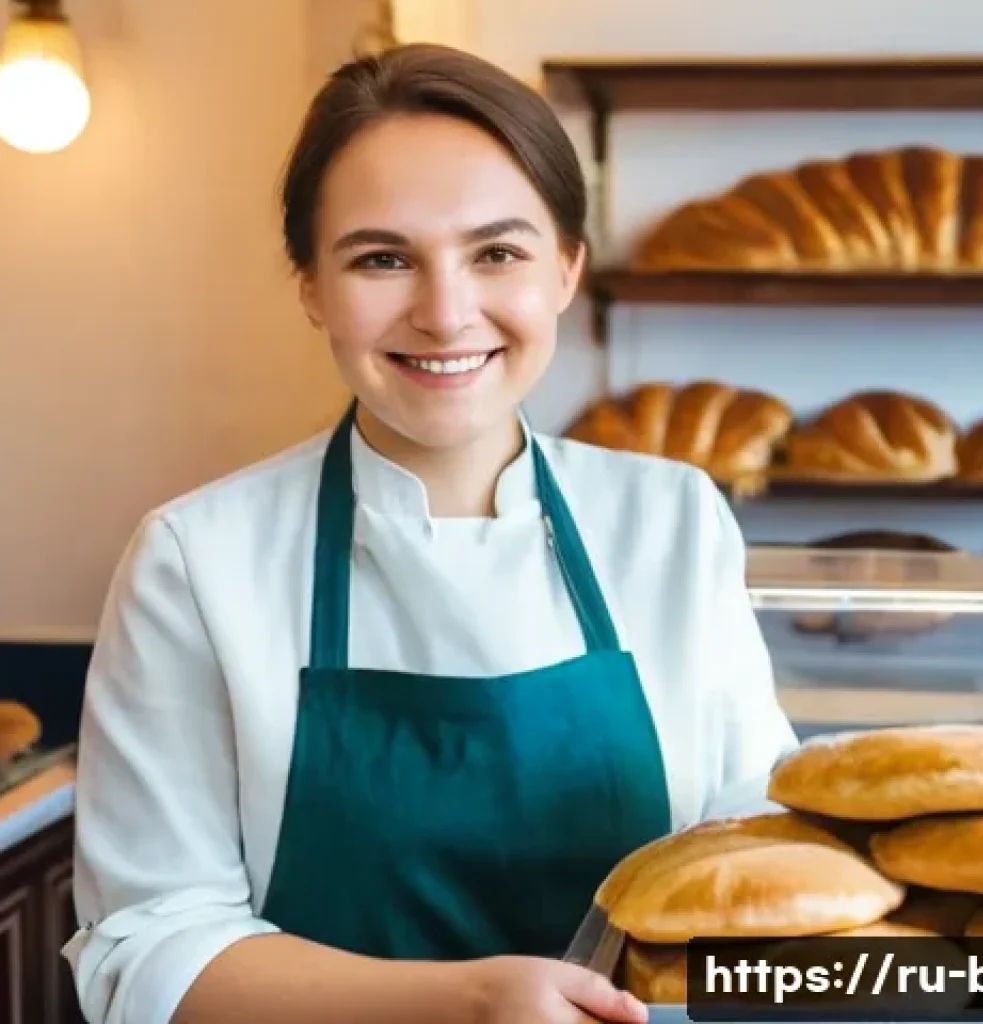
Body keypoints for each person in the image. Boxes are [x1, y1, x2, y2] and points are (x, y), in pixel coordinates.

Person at [63, 42, 798, 1024]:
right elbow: (145, 946)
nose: (447, 313)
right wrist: (468, 1001)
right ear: (311, 286)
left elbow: (756, 862)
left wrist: (951, 969)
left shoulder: (673, 522)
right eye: (381, 258)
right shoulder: (196, 560)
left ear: (567, 270)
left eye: (497, 251)